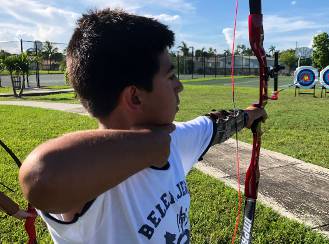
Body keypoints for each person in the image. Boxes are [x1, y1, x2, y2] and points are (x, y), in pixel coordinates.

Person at [19, 8, 266, 243]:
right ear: (135, 97)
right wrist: (154, 146)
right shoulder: (90, 184)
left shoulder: (174, 138)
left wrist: (250, 115)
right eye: (170, 77)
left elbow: (214, 126)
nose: (179, 86)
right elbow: (41, 175)